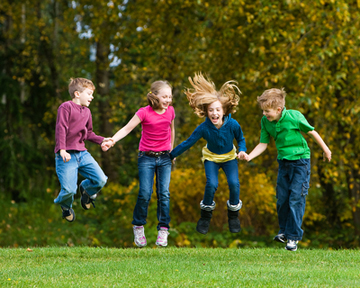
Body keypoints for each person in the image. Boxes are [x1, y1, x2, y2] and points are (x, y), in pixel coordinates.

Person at [243, 87, 332, 251]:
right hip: (284, 162)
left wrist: (325, 149)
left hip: (301, 162)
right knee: (282, 198)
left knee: (296, 198)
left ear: (278, 109)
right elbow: (263, 143)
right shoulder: (266, 122)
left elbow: (312, 132)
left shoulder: (294, 116)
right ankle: (284, 232)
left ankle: (293, 237)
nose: (264, 114)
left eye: (267, 111)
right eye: (263, 111)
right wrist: (249, 156)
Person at [170, 73, 247, 235]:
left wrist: (242, 150)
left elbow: (241, 139)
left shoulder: (233, 124)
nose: (214, 113)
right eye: (211, 110)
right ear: (206, 111)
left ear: (224, 110)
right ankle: (205, 216)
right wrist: (170, 155)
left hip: (229, 158)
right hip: (211, 158)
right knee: (212, 184)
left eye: (218, 110)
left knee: (234, 184)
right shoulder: (203, 128)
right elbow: (188, 142)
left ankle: (233, 215)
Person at [101, 80, 175, 247]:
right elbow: (127, 128)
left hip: (165, 158)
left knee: (164, 194)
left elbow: (171, 130)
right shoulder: (144, 112)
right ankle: (138, 226)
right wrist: (112, 141)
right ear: (154, 96)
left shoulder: (170, 111)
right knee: (144, 193)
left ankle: (163, 230)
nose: (168, 100)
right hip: (146, 158)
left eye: (170, 97)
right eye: (164, 96)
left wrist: (172, 150)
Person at [54, 77, 110, 222]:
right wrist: (62, 149)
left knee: (101, 179)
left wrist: (102, 140)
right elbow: (61, 128)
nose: (92, 97)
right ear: (77, 94)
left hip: (82, 154)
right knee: (69, 190)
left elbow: (89, 133)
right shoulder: (66, 107)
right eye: (89, 93)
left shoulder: (87, 112)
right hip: (66, 155)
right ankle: (66, 207)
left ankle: (86, 190)